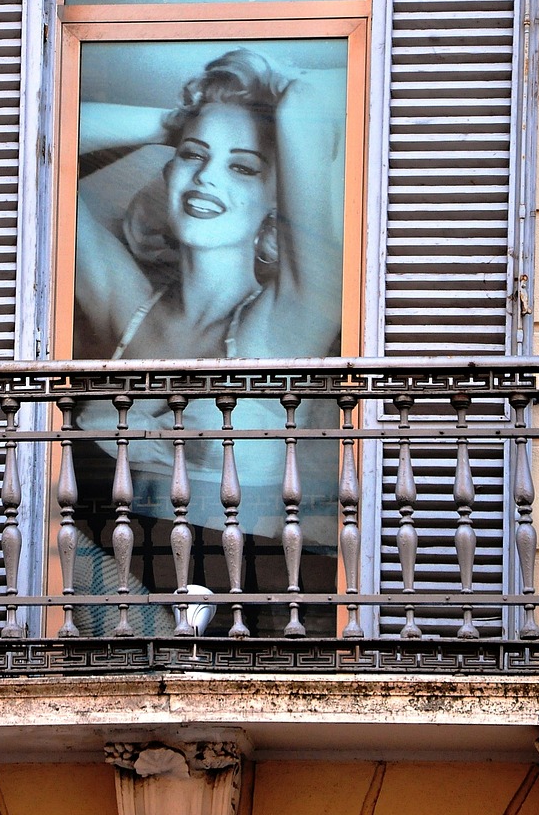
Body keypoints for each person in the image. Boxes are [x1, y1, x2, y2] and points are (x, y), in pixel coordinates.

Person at [71, 48, 344, 633]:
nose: (207, 177)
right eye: (193, 158)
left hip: (242, 640)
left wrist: (234, 105)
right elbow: (30, 147)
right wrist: (170, 124)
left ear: (277, 202)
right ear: (168, 171)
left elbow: (307, 103)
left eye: (242, 166)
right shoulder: (128, 308)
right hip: (95, 633)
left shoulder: (288, 321)